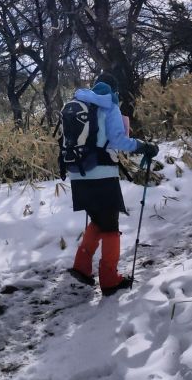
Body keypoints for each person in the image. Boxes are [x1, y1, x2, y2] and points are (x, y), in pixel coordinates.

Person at [62, 72, 158, 296]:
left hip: (78, 173)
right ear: (113, 90)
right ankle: (109, 279)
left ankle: (82, 266)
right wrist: (144, 146)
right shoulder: (109, 106)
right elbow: (118, 140)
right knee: (111, 227)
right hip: (102, 174)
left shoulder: (80, 103)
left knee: (98, 220)